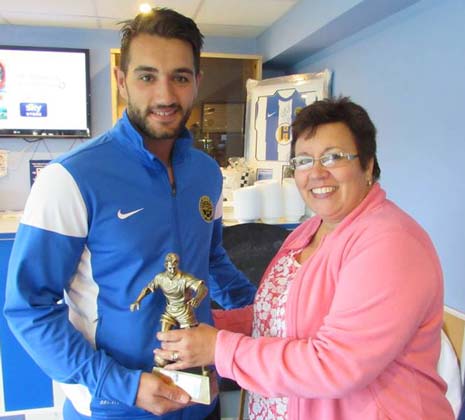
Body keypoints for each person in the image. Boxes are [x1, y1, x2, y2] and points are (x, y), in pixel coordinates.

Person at [3, 7, 256, 420]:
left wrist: (267, 312)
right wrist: (122, 384)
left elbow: (211, 261)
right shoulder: (70, 178)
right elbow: (28, 307)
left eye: (180, 77)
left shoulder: (206, 173)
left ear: (196, 83)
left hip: (199, 397)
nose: (165, 95)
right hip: (115, 405)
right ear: (122, 81)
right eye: (146, 76)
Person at [155, 97, 455, 419]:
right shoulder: (311, 230)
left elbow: (336, 365)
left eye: (334, 157)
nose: (317, 173)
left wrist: (219, 347)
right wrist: (210, 323)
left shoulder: (390, 243)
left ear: (367, 165)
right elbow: (285, 316)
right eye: (303, 161)